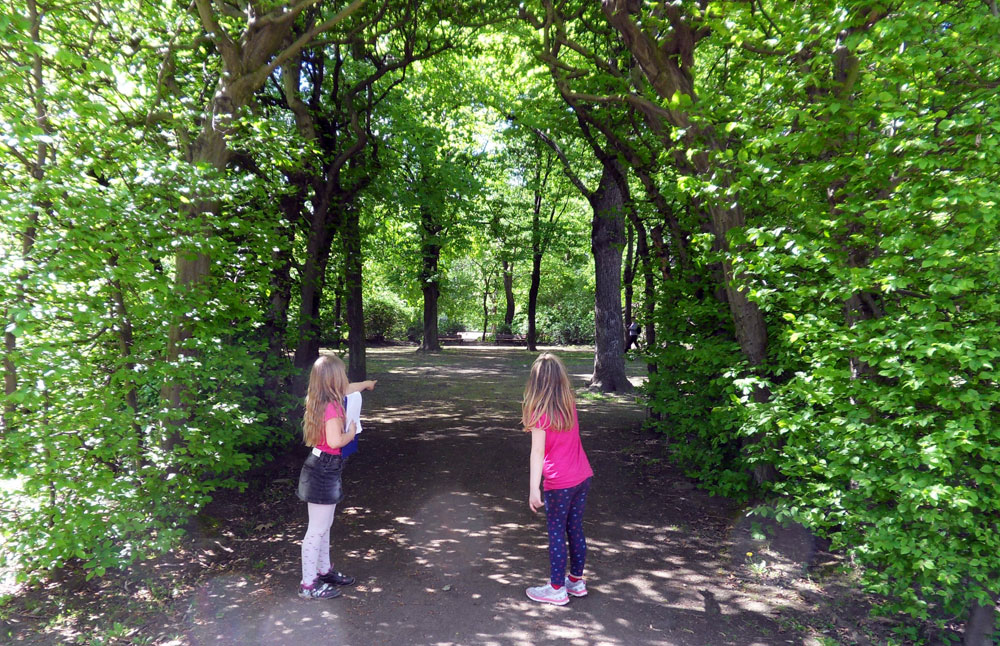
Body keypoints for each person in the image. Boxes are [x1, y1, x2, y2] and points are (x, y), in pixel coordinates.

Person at [296, 354, 376, 599]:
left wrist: (365, 385)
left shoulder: (321, 397)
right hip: (324, 469)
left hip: (324, 466)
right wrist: (351, 432)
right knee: (317, 530)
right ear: (333, 380)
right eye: (341, 374)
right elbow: (335, 441)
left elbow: (349, 388)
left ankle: (323, 571)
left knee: (324, 526)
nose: (345, 378)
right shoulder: (332, 407)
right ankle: (308, 585)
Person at [522, 353, 594, 605]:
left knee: (556, 532)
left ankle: (556, 588)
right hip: (581, 476)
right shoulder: (569, 403)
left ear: (536, 382)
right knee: (574, 528)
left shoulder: (540, 412)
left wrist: (534, 489)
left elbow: (537, 453)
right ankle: (575, 582)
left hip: (559, 482)